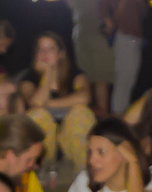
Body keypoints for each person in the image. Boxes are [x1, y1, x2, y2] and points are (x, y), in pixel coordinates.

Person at [13, 30, 95, 172]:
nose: (45, 53)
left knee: (81, 112)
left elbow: (84, 97)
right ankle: (41, 167)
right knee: (38, 114)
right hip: (43, 144)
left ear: (60, 54)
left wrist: (48, 103)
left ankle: (83, 171)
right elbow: (37, 103)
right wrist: (48, 74)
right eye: (41, 49)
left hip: (71, 139)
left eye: (50, 49)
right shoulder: (29, 77)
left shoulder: (74, 74)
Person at [64, 0, 116, 115]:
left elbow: (69, 0)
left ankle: (87, 118)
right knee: (101, 77)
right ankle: (103, 119)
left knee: (86, 77)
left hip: (80, 29)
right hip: (99, 29)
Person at [99, 0, 146, 115]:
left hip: (133, 39)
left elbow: (143, 13)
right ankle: (119, 116)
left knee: (129, 79)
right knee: (124, 81)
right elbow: (102, 2)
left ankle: (122, 114)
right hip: (125, 38)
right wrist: (107, 19)